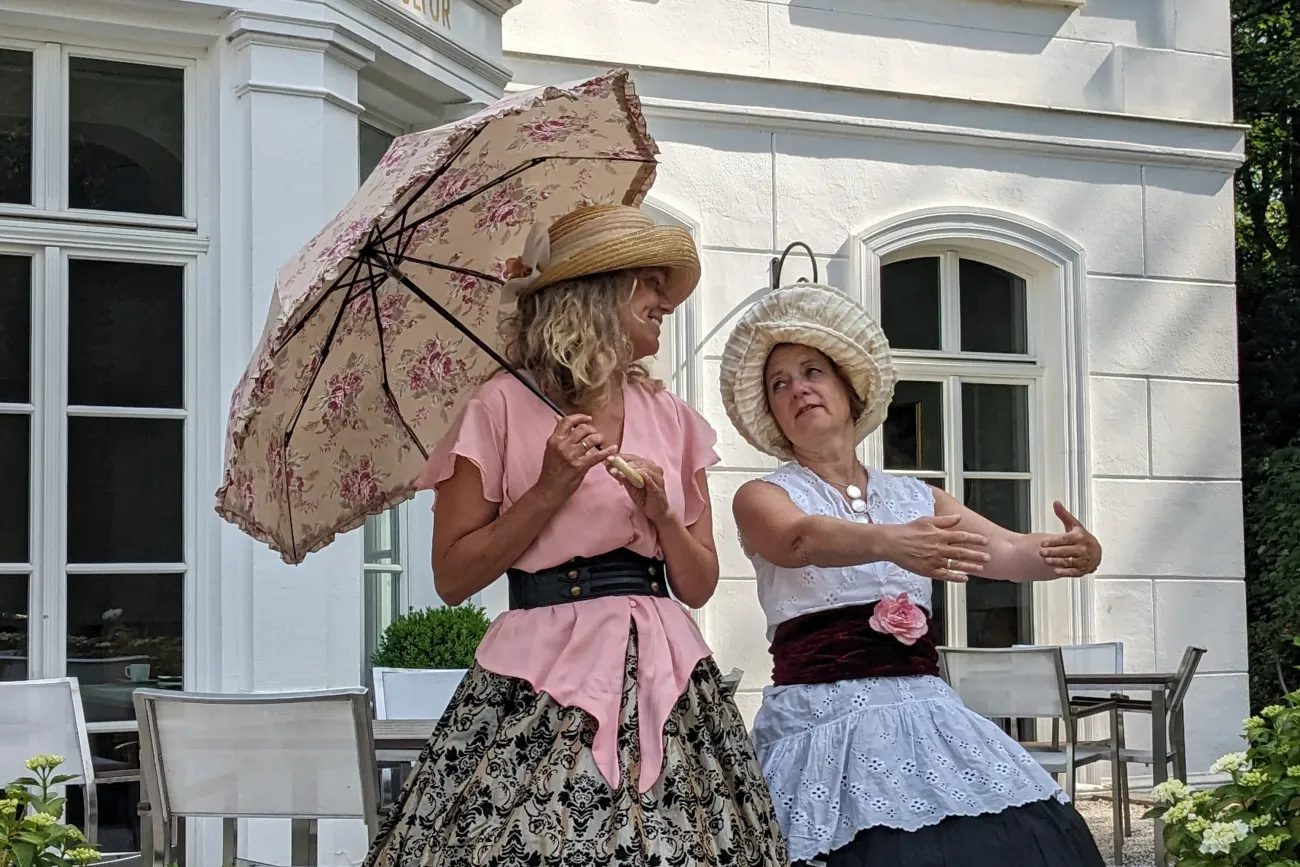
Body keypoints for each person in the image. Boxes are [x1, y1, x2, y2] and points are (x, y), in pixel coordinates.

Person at [363, 204, 789, 867]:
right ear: (599, 293)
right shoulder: (499, 406)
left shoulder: (675, 420)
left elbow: (699, 581)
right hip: (539, 671)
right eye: (648, 284)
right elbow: (452, 575)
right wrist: (549, 489)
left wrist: (664, 517)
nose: (664, 302)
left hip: (666, 670)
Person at [717, 283, 1106, 867]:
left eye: (812, 371)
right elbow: (798, 540)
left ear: (848, 389)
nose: (797, 388)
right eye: (780, 384)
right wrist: (890, 542)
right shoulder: (762, 494)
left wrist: (1072, 551)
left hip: (925, 708)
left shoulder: (915, 495)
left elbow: (1004, 551)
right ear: (773, 414)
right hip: (821, 719)